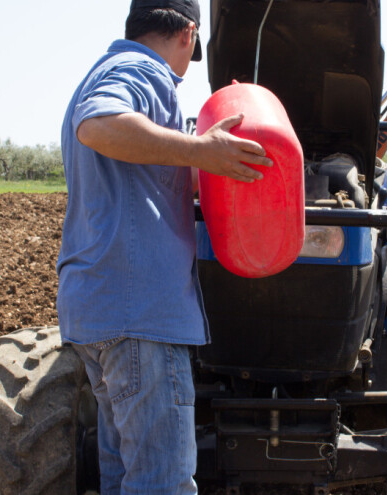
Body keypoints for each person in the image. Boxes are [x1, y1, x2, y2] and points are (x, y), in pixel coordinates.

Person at [56, 0, 272, 493]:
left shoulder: (99, 71)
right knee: (162, 485)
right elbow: (99, 124)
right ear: (187, 34)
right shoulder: (141, 70)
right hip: (141, 316)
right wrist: (198, 149)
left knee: (124, 479)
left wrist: (199, 165)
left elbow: (144, 179)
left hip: (100, 310)